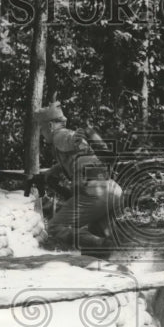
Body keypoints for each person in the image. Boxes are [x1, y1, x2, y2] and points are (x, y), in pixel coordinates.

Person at [31, 102, 123, 250]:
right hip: (111, 190)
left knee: (54, 227)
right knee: (99, 232)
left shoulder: (59, 135)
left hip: (95, 193)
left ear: (50, 126)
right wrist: (50, 172)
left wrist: (77, 138)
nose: (41, 133)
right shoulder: (64, 143)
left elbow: (72, 140)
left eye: (41, 129)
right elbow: (74, 155)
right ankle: (123, 254)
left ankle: (104, 246)